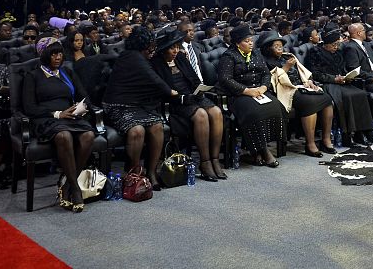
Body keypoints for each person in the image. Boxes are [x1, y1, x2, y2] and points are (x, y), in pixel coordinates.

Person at [23, 37, 95, 212]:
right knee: (64, 136)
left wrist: (81, 108)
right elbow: (29, 108)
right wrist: (57, 114)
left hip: (70, 117)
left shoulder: (66, 72)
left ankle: (67, 184)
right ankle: (75, 189)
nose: (58, 57)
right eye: (53, 54)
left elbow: (83, 95)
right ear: (45, 55)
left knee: (89, 135)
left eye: (60, 54)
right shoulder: (32, 76)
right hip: (46, 118)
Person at [102, 26, 174, 190]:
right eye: (151, 44)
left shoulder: (141, 57)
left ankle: (151, 171)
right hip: (117, 106)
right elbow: (154, 80)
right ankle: (133, 173)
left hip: (137, 105)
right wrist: (171, 91)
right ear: (144, 44)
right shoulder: (132, 57)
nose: (153, 48)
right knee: (137, 131)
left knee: (157, 127)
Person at [150, 29, 226, 181]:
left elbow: (194, 78)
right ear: (164, 49)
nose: (176, 51)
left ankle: (215, 159)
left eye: (177, 47)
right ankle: (205, 163)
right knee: (202, 115)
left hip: (193, 96)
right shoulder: (156, 63)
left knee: (217, 112)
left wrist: (200, 90)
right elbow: (162, 91)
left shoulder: (180, 58)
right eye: (172, 48)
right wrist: (184, 98)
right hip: (176, 101)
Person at [217, 24, 286, 167]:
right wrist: (247, 91)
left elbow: (266, 74)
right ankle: (263, 151)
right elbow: (225, 80)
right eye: (246, 41)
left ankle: (257, 151)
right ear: (237, 43)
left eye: (251, 40)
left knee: (277, 107)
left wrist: (263, 87)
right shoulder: (228, 56)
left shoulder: (256, 53)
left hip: (259, 91)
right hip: (239, 95)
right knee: (255, 113)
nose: (250, 43)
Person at [259, 32, 335, 157]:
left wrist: (308, 81)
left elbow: (302, 72)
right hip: (285, 91)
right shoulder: (264, 61)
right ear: (267, 48)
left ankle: (326, 140)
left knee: (326, 99)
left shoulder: (287, 56)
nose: (280, 48)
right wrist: (286, 68)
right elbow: (271, 81)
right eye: (276, 46)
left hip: (301, 87)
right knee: (310, 103)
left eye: (281, 45)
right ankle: (310, 144)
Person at [305, 29, 373, 147]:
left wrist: (347, 77)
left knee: (360, 94)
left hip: (341, 82)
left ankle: (360, 132)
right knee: (348, 96)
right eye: (334, 45)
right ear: (326, 44)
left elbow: (343, 69)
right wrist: (334, 79)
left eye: (338, 44)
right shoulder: (315, 52)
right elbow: (315, 74)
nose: (336, 47)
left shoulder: (338, 52)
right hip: (328, 84)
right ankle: (347, 135)